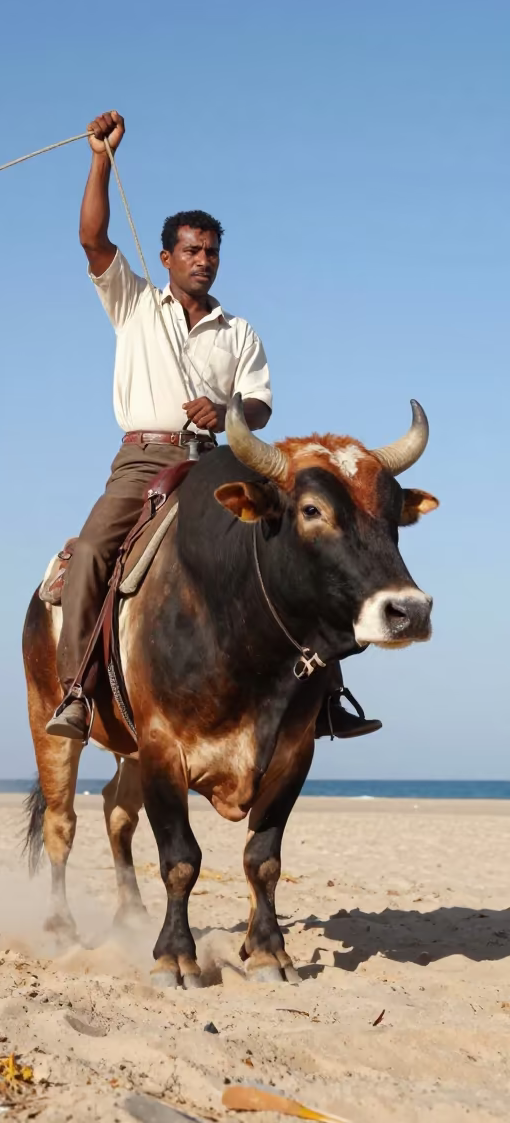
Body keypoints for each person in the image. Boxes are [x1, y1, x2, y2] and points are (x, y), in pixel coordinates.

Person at [46, 110, 381, 744]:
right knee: (91, 552)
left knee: (299, 539)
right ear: (167, 257)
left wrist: (229, 414)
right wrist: (98, 159)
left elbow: (259, 406)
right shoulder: (135, 302)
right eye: (192, 251)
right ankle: (77, 692)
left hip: (216, 461)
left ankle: (328, 696)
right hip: (144, 462)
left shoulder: (240, 331)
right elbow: (92, 239)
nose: (203, 261)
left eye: (212, 252)